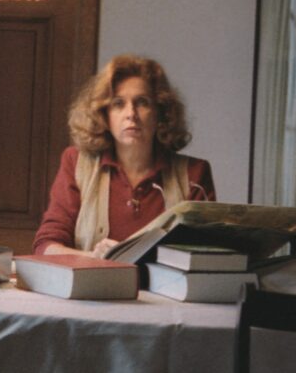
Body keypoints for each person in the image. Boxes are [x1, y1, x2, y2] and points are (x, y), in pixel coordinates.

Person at [32, 54, 216, 258]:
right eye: (118, 103)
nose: (131, 114)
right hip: (93, 279)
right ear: (104, 114)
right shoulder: (76, 163)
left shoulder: (194, 173)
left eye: (142, 102)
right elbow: (46, 246)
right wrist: (95, 259)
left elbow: (206, 255)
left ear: (160, 112)